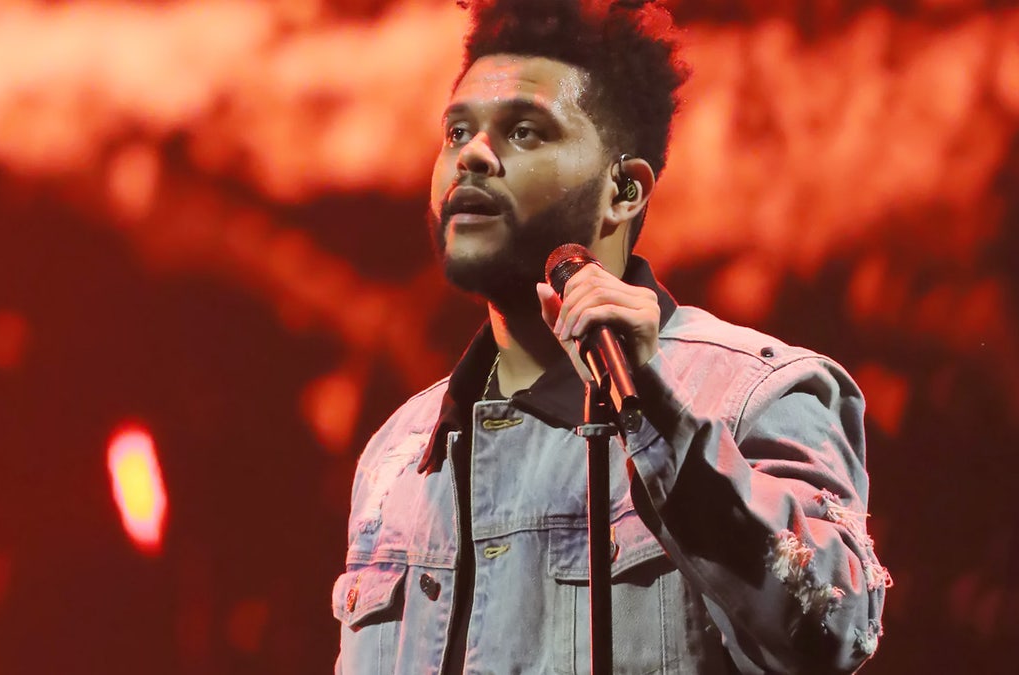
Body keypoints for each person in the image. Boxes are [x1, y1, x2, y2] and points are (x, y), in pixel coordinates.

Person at [332, 1, 890, 672]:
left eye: (525, 131)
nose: (473, 155)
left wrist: (657, 416)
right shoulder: (396, 456)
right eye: (456, 132)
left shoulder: (757, 395)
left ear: (623, 190)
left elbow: (836, 627)